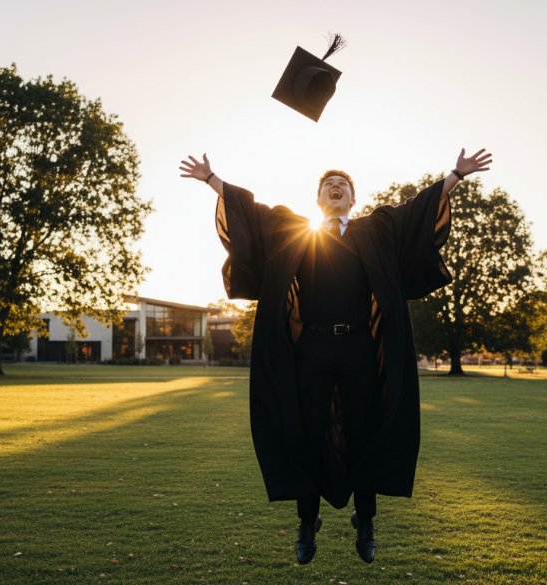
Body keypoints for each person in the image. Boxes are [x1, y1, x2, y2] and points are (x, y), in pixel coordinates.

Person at [180, 147, 492, 564]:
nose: (336, 187)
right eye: (329, 185)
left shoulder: (376, 230)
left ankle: (366, 522)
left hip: (361, 348)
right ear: (318, 199)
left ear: (353, 199)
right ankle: (307, 524)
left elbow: (416, 211)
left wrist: (456, 174)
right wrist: (211, 180)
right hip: (311, 349)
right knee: (305, 429)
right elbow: (251, 215)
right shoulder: (294, 232)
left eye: (343, 185)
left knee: (364, 430)